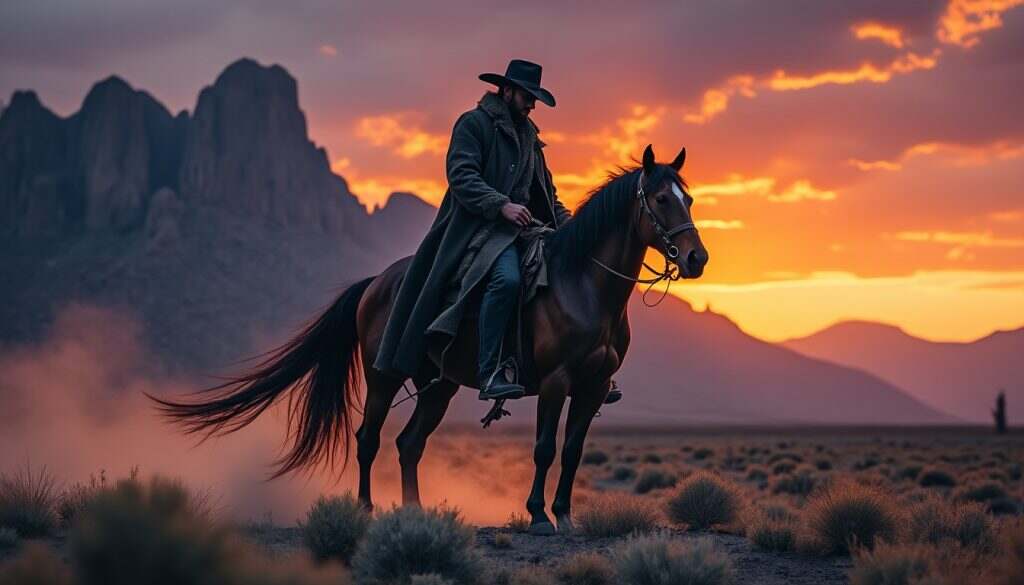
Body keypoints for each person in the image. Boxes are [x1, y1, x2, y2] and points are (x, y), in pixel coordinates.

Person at [372, 59, 622, 405]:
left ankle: (588, 368)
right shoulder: (473, 125)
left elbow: (547, 196)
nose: (532, 104)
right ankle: (491, 369)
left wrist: (573, 230)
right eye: (527, 96)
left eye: (535, 98)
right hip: (479, 231)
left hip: (524, 231)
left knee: (573, 279)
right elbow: (461, 176)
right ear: (506, 91)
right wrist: (501, 205)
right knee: (507, 280)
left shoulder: (529, 137)